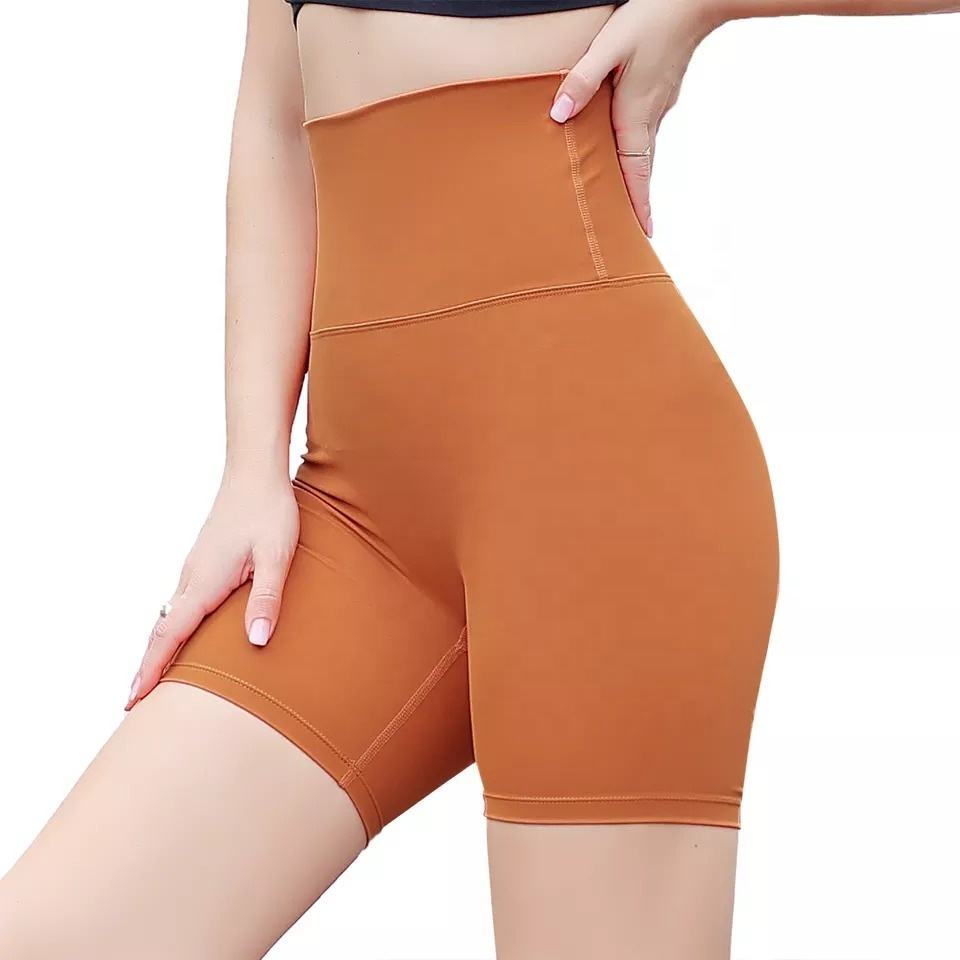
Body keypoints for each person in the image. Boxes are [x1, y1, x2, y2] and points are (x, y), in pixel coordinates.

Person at [0, 0, 955, 957]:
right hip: (357, 515)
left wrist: (695, 5)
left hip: (595, 491)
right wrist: (251, 467)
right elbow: (275, 125)